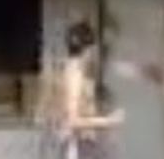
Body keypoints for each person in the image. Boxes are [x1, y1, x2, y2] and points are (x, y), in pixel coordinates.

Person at [44, 20, 124, 159]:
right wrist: (109, 120)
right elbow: (72, 119)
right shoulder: (74, 74)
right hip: (77, 144)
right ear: (89, 48)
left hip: (78, 143)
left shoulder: (65, 69)